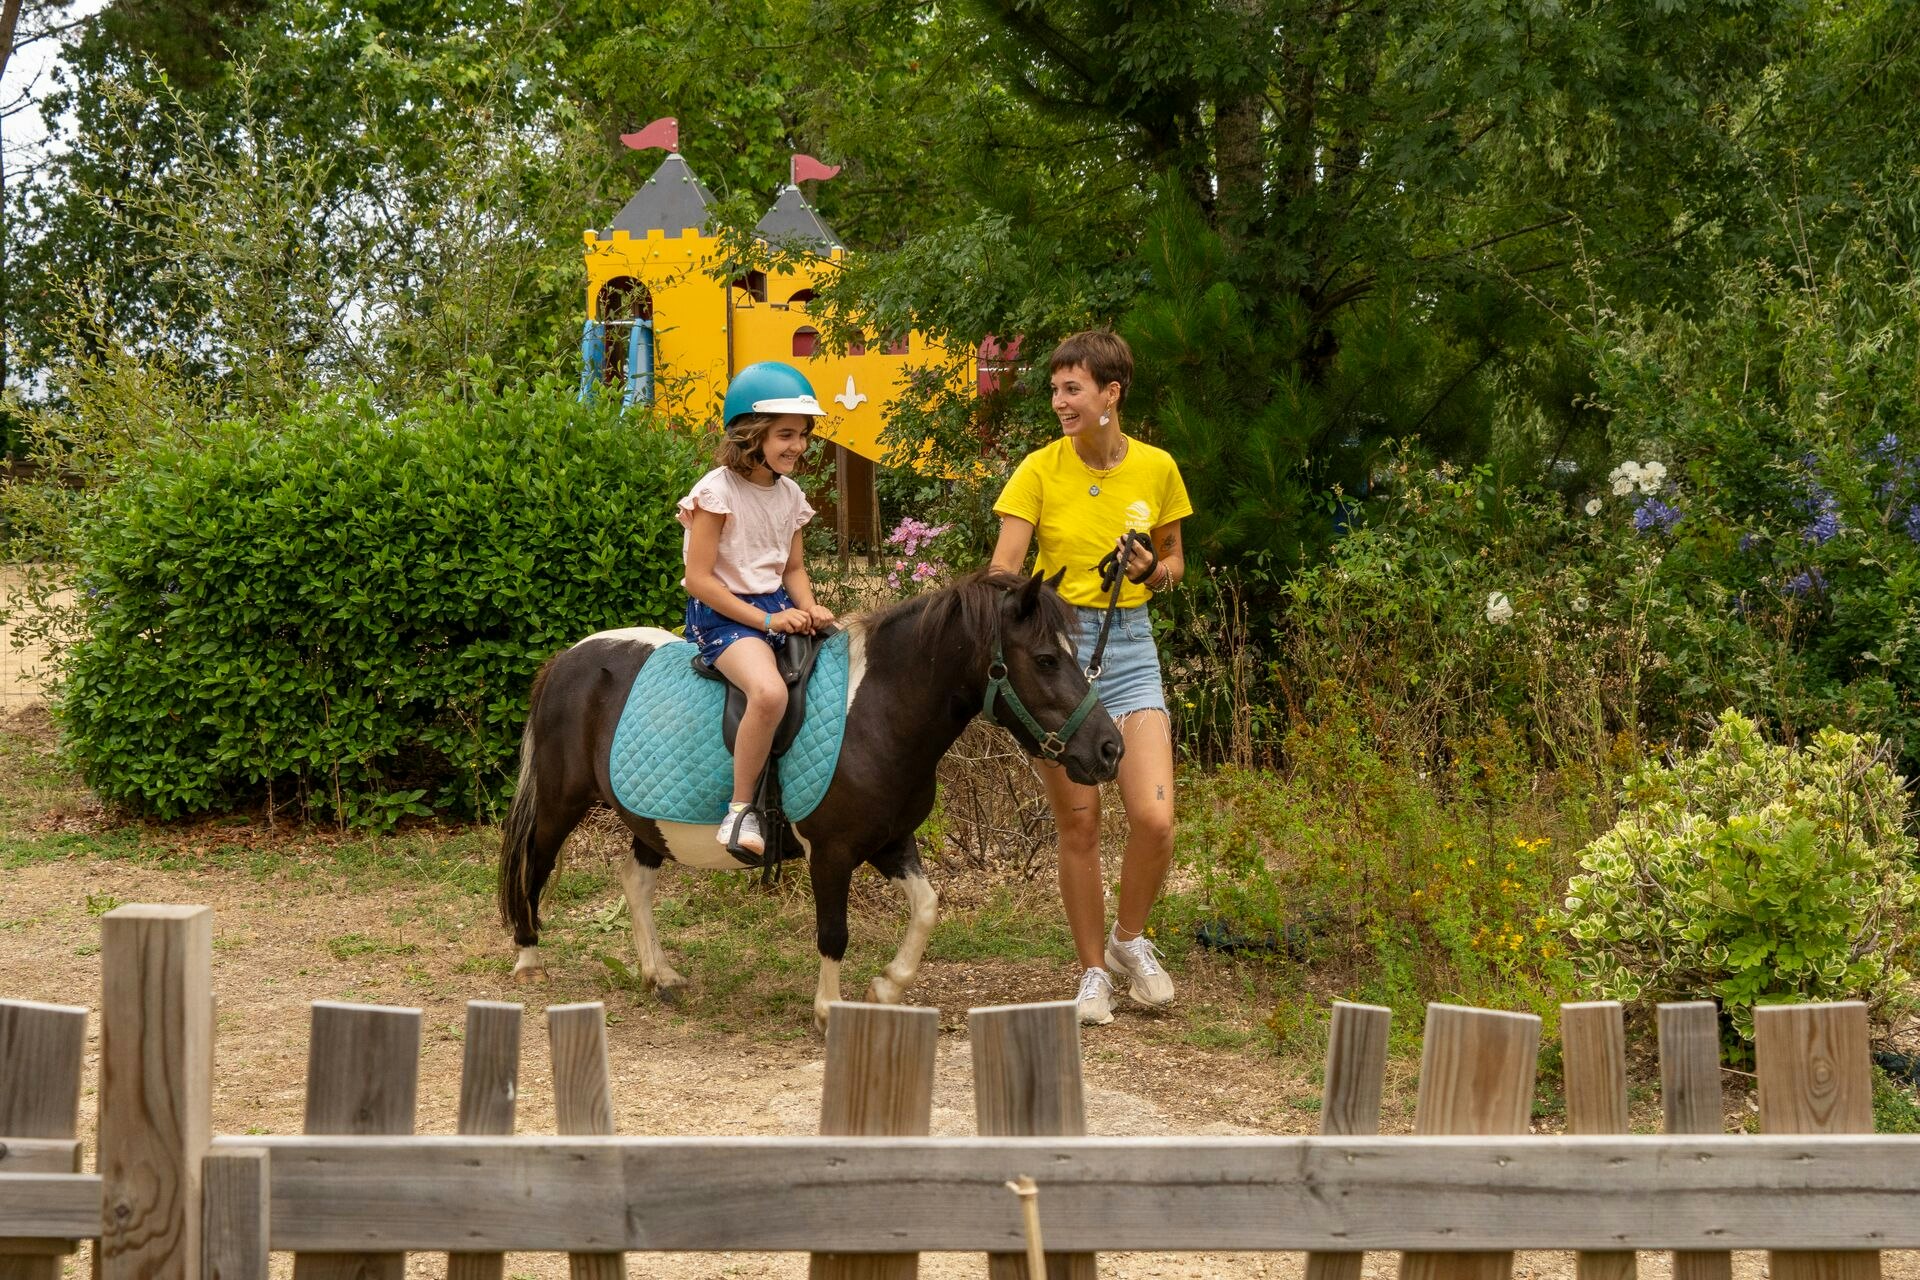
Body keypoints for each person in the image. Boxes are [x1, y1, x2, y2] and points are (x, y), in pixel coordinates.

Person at [990, 330, 1193, 1025]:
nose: (1059, 401)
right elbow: (1002, 571)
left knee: (1155, 819)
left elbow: (1174, 562)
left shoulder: (1157, 469)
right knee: (1080, 823)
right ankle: (1091, 973)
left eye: (1071, 389)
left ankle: (1128, 941)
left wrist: (1152, 571)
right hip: (1058, 656)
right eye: (1055, 389)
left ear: (1111, 393)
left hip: (1130, 646)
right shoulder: (1038, 471)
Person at [679, 361, 837, 854]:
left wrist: (810, 607)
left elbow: (793, 569)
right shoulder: (716, 492)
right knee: (768, 693)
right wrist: (768, 620)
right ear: (751, 434)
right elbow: (698, 580)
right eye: (785, 434)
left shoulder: (790, 494)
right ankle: (740, 811)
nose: (798, 445)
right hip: (722, 617)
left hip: (778, 606)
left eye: (803, 434)